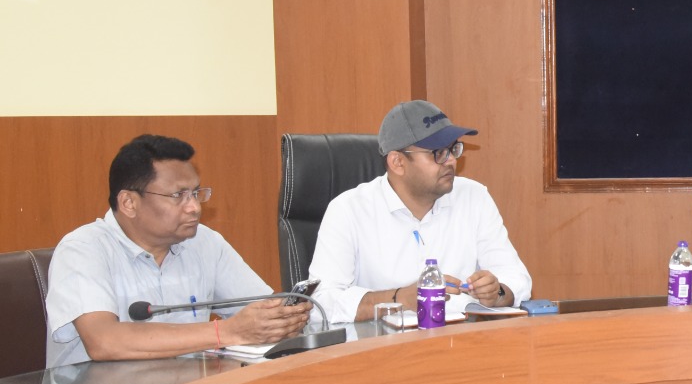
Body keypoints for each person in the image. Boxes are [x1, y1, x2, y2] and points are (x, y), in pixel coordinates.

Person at [45, 134, 311, 369]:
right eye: (178, 196)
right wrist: (226, 332)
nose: (194, 207)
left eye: (195, 193)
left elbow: (260, 310)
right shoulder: (82, 250)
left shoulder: (204, 243)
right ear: (128, 203)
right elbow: (104, 342)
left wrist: (280, 318)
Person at [308, 101, 532, 324]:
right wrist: (399, 299)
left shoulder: (474, 197)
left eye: (453, 149)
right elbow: (321, 302)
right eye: (438, 153)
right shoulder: (348, 210)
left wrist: (497, 292)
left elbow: (517, 278)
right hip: (384, 343)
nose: (451, 160)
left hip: (461, 338)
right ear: (398, 162)